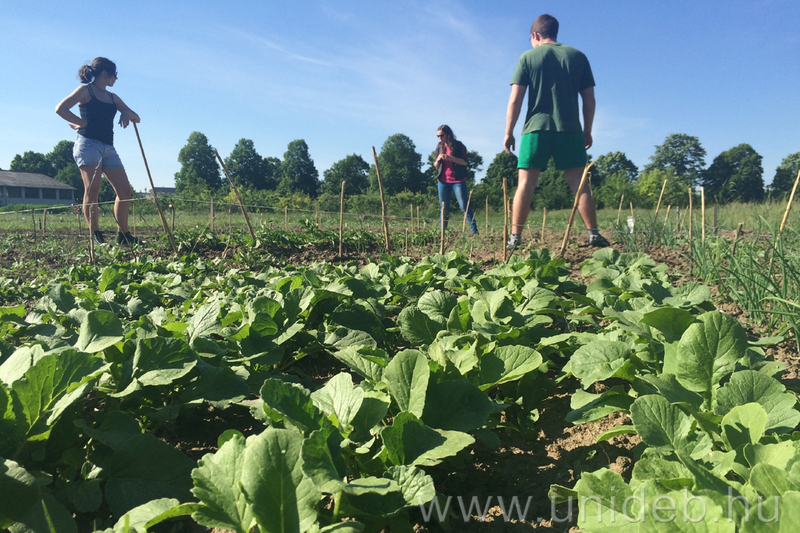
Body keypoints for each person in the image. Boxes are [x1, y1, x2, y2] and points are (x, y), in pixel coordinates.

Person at [504, 14, 609, 249]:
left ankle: (515, 238)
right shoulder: (577, 56)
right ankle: (593, 234)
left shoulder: (527, 57)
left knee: (525, 183)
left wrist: (509, 132)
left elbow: (515, 99)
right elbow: (589, 99)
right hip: (570, 128)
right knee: (579, 182)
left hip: (535, 128)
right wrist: (587, 130)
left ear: (535, 35)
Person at [56, 57, 141, 246]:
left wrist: (125, 112)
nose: (116, 78)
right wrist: (82, 122)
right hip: (87, 145)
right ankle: (95, 236)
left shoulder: (113, 97)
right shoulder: (85, 91)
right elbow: (60, 109)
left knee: (125, 191)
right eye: (114, 74)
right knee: (93, 190)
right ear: (104, 73)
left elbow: (137, 118)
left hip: (108, 147)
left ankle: (123, 236)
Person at [433, 125, 478, 234]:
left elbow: (464, 162)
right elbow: (436, 166)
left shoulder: (458, 145)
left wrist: (450, 158)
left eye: (441, 135)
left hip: (457, 181)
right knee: (444, 208)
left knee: (464, 206)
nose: (440, 138)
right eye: (438, 136)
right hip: (443, 181)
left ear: (448, 134)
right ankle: (443, 232)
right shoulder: (439, 147)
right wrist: (438, 160)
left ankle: (475, 232)